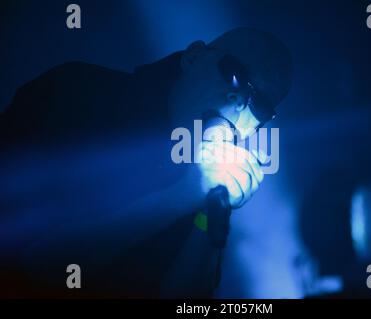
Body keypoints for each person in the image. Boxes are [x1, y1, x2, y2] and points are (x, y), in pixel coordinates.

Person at [0, 27, 292, 297]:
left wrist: (209, 211)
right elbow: (32, 262)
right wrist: (182, 196)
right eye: (234, 75)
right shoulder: (76, 91)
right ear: (192, 58)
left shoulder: (210, 171)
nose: (238, 99)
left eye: (259, 104)